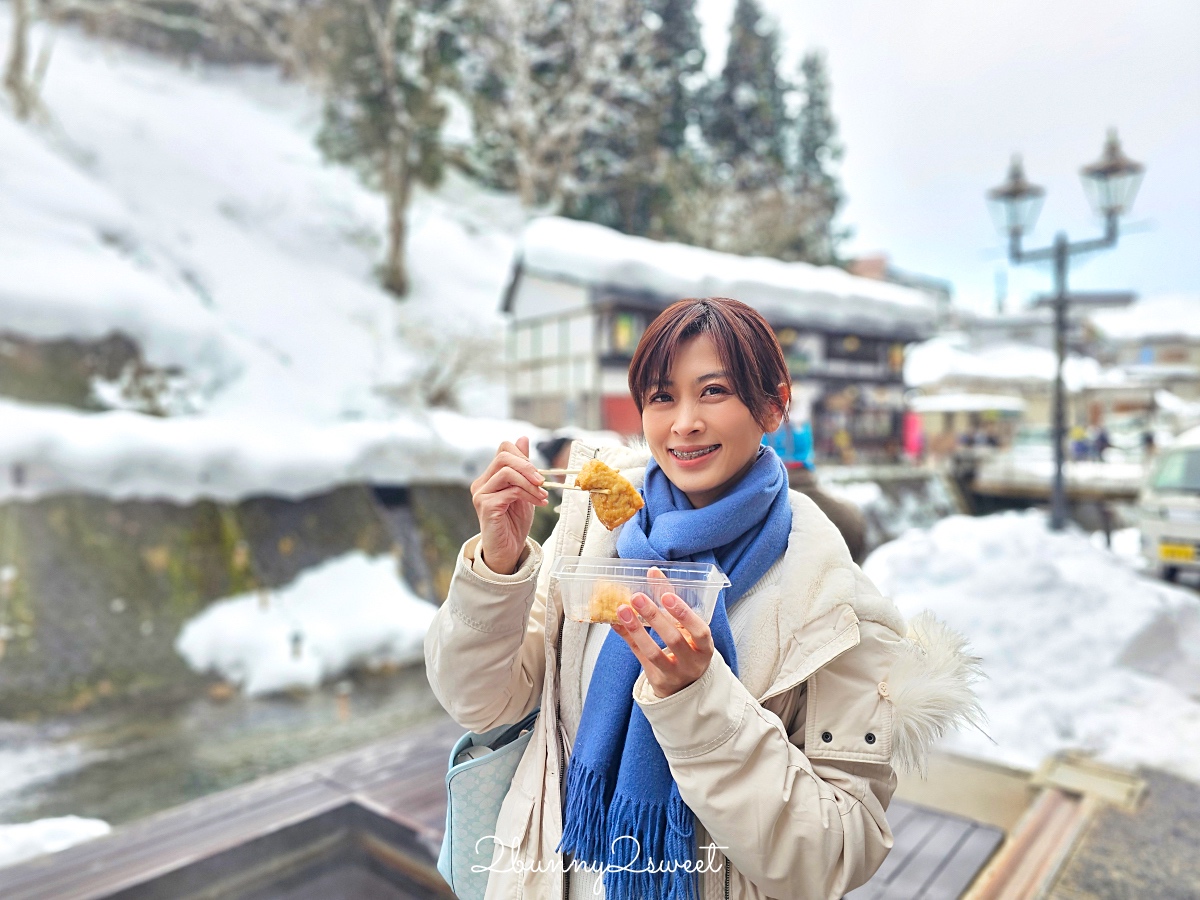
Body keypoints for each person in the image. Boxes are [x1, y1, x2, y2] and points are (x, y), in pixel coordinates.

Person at [425, 298, 982, 900]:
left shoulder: (833, 603)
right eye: (662, 397)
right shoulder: (592, 532)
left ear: (772, 405)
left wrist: (698, 699)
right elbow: (479, 704)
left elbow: (835, 854)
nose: (683, 422)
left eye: (713, 392)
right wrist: (498, 565)